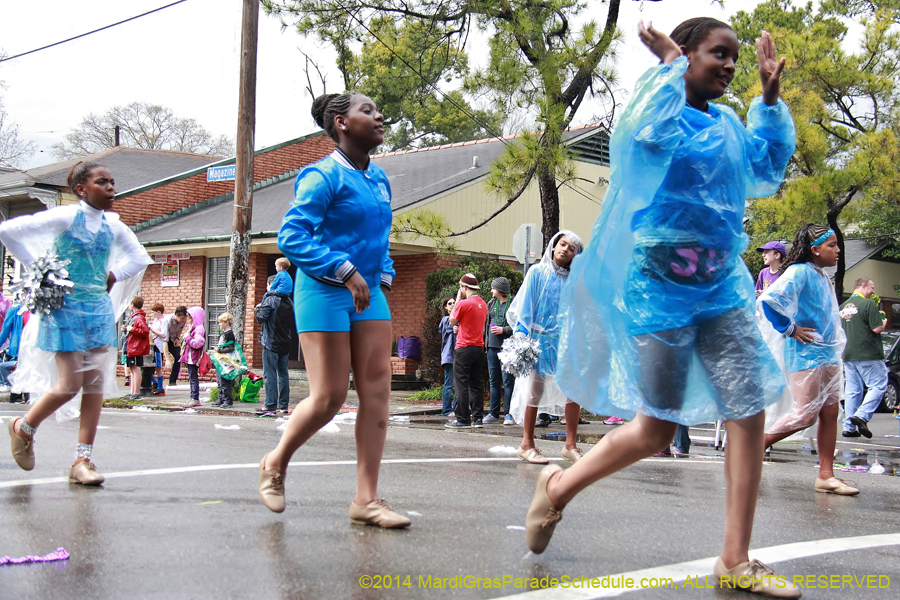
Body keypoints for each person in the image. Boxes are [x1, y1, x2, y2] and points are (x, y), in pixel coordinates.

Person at [533, 19, 801, 598]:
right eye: (716, 54)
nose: (729, 66)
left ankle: (735, 558)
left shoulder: (729, 123)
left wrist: (771, 102)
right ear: (686, 55)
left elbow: (763, 172)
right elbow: (640, 142)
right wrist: (669, 68)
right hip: (658, 286)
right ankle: (557, 489)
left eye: (734, 57)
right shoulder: (658, 115)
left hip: (722, 287)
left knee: (748, 407)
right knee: (656, 428)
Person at [257, 91, 410, 528]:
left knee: (378, 393)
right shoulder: (321, 176)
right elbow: (292, 237)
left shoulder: (378, 178)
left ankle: (366, 499)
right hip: (323, 290)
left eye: (378, 109)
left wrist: (382, 276)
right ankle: (275, 462)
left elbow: (380, 237)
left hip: (368, 292)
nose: (379, 116)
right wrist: (344, 270)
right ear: (341, 123)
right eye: (368, 111)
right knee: (328, 397)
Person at [0, 161, 152, 485]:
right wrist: (41, 271)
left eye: (112, 181)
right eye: (102, 182)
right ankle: (23, 427)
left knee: (95, 387)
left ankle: (82, 460)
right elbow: (8, 232)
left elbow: (139, 258)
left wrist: (113, 275)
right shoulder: (66, 217)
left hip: (98, 309)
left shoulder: (115, 226)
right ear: (82, 189)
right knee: (69, 385)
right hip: (64, 309)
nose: (111, 187)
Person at [759, 225, 856, 496]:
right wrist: (790, 329)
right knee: (805, 414)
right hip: (805, 353)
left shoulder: (822, 276)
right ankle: (755, 446)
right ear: (815, 250)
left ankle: (826, 475)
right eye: (832, 245)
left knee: (830, 412)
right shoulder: (799, 272)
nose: (838, 250)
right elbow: (769, 301)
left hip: (827, 352)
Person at [507, 231, 585, 463]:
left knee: (574, 391)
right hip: (539, 341)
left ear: (575, 255)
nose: (565, 249)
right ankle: (526, 444)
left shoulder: (575, 281)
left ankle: (570, 445)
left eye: (571, 248)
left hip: (566, 343)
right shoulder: (537, 273)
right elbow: (526, 306)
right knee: (535, 391)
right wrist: (521, 336)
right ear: (553, 245)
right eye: (562, 244)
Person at [839, 277, 888, 438]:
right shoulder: (868, 304)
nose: (873, 291)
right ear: (863, 286)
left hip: (848, 354)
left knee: (853, 390)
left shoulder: (842, 307)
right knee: (878, 385)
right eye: (872, 287)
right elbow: (877, 329)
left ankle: (848, 427)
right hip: (868, 353)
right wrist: (884, 322)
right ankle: (862, 415)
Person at [445, 273, 488, 429]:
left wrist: (458, 299)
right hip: (479, 348)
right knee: (476, 384)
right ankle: (478, 419)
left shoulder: (464, 303)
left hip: (464, 348)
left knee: (461, 384)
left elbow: (451, 320)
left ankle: (463, 418)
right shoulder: (483, 304)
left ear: (464, 287)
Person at [254, 274, 295, 415]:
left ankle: (270, 404)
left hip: (271, 342)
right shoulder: (290, 302)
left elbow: (261, 318)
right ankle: (283, 405)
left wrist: (258, 308)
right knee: (283, 373)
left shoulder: (271, 300)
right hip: (285, 342)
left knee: (270, 374)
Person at [483, 277, 516, 425]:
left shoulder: (514, 303)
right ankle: (493, 413)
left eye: (493, 288)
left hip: (508, 348)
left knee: (508, 381)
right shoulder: (491, 303)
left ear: (500, 290)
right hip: (492, 347)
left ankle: (509, 413)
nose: (491, 290)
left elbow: (518, 325)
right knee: (494, 381)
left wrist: (504, 330)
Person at [0, 304, 30, 402]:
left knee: (28, 371)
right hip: (20, 348)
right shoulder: (15, 310)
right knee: (22, 370)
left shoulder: (40, 309)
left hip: (35, 347)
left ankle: (24, 396)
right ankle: (18, 396)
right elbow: (5, 330)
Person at [179, 306, 206, 409]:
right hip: (190, 356)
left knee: (193, 377)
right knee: (191, 377)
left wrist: (188, 338)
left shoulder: (199, 328)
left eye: (190, 316)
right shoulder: (193, 327)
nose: (188, 319)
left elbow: (198, 343)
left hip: (193, 357)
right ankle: (192, 397)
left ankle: (195, 398)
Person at [123, 296, 150, 399]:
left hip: (136, 347)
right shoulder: (134, 317)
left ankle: (136, 392)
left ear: (132, 305)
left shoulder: (139, 317)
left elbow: (145, 331)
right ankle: (132, 392)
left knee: (136, 369)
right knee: (132, 369)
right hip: (132, 346)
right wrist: (126, 329)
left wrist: (132, 329)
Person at [212, 312, 236, 407]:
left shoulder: (229, 334)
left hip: (226, 361)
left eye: (221, 322)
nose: (219, 324)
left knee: (224, 381)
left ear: (227, 322)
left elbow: (231, 348)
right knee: (219, 380)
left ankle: (227, 399)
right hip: (220, 360)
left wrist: (220, 350)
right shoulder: (223, 334)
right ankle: (221, 397)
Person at [438, 297, 457, 418]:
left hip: (457, 356)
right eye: (449, 303)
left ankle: (455, 408)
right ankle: (446, 409)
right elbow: (449, 327)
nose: (452, 305)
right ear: (445, 307)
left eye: (454, 303)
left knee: (458, 384)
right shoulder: (446, 320)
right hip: (449, 356)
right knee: (449, 383)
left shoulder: (457, 320)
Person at [148, 302, 167, 395]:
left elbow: (163, 334)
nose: (152, 315)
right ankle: (155, 382)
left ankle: (160, 387)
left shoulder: (163, 321)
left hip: (159, 347)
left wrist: (152, 330)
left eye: (153, 312)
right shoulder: (155, 321)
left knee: (158, 367)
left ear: (158, 312)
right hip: (152, 345)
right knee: (148, 366)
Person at [165, 306, 188, 385]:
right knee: (159, 360)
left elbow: (180, 328)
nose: (183, 320)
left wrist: (177, 339)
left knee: (178, 357)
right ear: (176, 315)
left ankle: (172, 380)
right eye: (182, 318)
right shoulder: (168, 321)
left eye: (184, 318)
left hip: (172, 338)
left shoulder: (183, 321)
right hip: (162, 340)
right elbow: (164, 340)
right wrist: (167, 358)